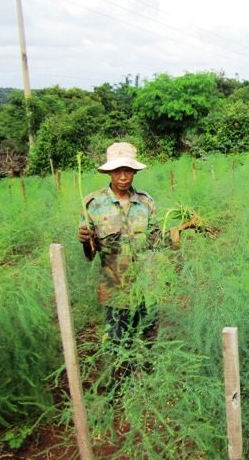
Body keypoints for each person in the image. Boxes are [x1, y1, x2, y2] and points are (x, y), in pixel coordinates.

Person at [78, 142, 190, 348]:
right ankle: (122, 375)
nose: (123, 177)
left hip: (146, 285)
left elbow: (154, 240)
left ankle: (146, 373)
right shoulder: (93, 204)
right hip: (115, 289)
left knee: (147, 336)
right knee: (119, 343)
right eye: (117, 171)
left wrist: (179, 229)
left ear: (134, 172)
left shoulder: (146, 202)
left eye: (128, 171)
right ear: (109, 172)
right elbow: (91, 253)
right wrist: (86, 240)